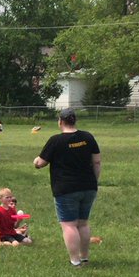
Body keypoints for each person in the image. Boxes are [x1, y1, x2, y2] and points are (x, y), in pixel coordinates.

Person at [34, 109, 101, 266]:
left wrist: (35, 161)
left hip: (66, 188)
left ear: (60, 121)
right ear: (74, 120)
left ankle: (75, 260)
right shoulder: (88, 137)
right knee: (83, 223)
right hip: (88, 186)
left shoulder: (56, 140)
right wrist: (94, 181)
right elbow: (97, 162)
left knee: (69, 225)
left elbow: (40, 163)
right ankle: (84, 257)